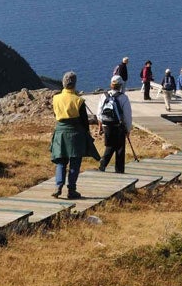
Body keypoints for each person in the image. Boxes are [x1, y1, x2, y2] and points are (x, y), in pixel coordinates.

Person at [50, 71, 98, 199]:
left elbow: (55, 115)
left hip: (60, 131)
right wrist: (87, 133)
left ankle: (58, 186)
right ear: (75, 84)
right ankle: (71, 190)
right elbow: (84, 121)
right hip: (76, 133)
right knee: (75, 163)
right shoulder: (79, 101)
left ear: (63, 83)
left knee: (61, 161)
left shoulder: (55, 98)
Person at [97, 75, 133, 173]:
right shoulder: (123, 98)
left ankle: (103, 163)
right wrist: (128, 129)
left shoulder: (104, 96)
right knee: (120, 149)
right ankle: (119, 170)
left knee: (110, 145)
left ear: (111, 85)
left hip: (107, 125)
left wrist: (100, 126)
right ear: (120, 85)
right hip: (119, 126)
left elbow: (99, 113)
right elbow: (127, 115)